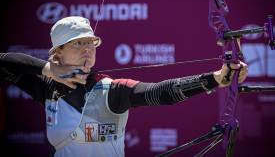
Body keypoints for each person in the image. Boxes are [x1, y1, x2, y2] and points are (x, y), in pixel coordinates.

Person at [0, 16, 248, 157]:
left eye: (91, 43)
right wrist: (48, 70)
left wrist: (216, 78)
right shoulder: (47, 88)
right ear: (58, 53)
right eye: (77, 44)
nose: (87, 49)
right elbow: (4, 63)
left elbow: (160, 92)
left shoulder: (110, 90)